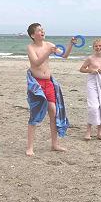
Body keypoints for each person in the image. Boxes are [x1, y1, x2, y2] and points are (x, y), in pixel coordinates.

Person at [26, 23, 76, 156]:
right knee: (35, 114)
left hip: (48, 83)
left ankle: (55, 144)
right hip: (36, 84)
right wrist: (48, 52)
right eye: (39, 30)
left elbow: (64, 55)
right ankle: (30, 147)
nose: (42, 32)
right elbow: (36, 63)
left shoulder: (49, 45)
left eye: (42, 30)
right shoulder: (31, 47)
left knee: (53, 111)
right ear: (32, 35)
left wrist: (70, 44)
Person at [79, 38, 101, 140]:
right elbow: (81, 69)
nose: (98, 48)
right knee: (93, 107)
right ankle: (88, 132)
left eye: (100, 46)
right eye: (96, 46)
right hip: (92, 82)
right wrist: (91, 70)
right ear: (93, 47)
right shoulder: (90, 58)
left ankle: (99, 133)